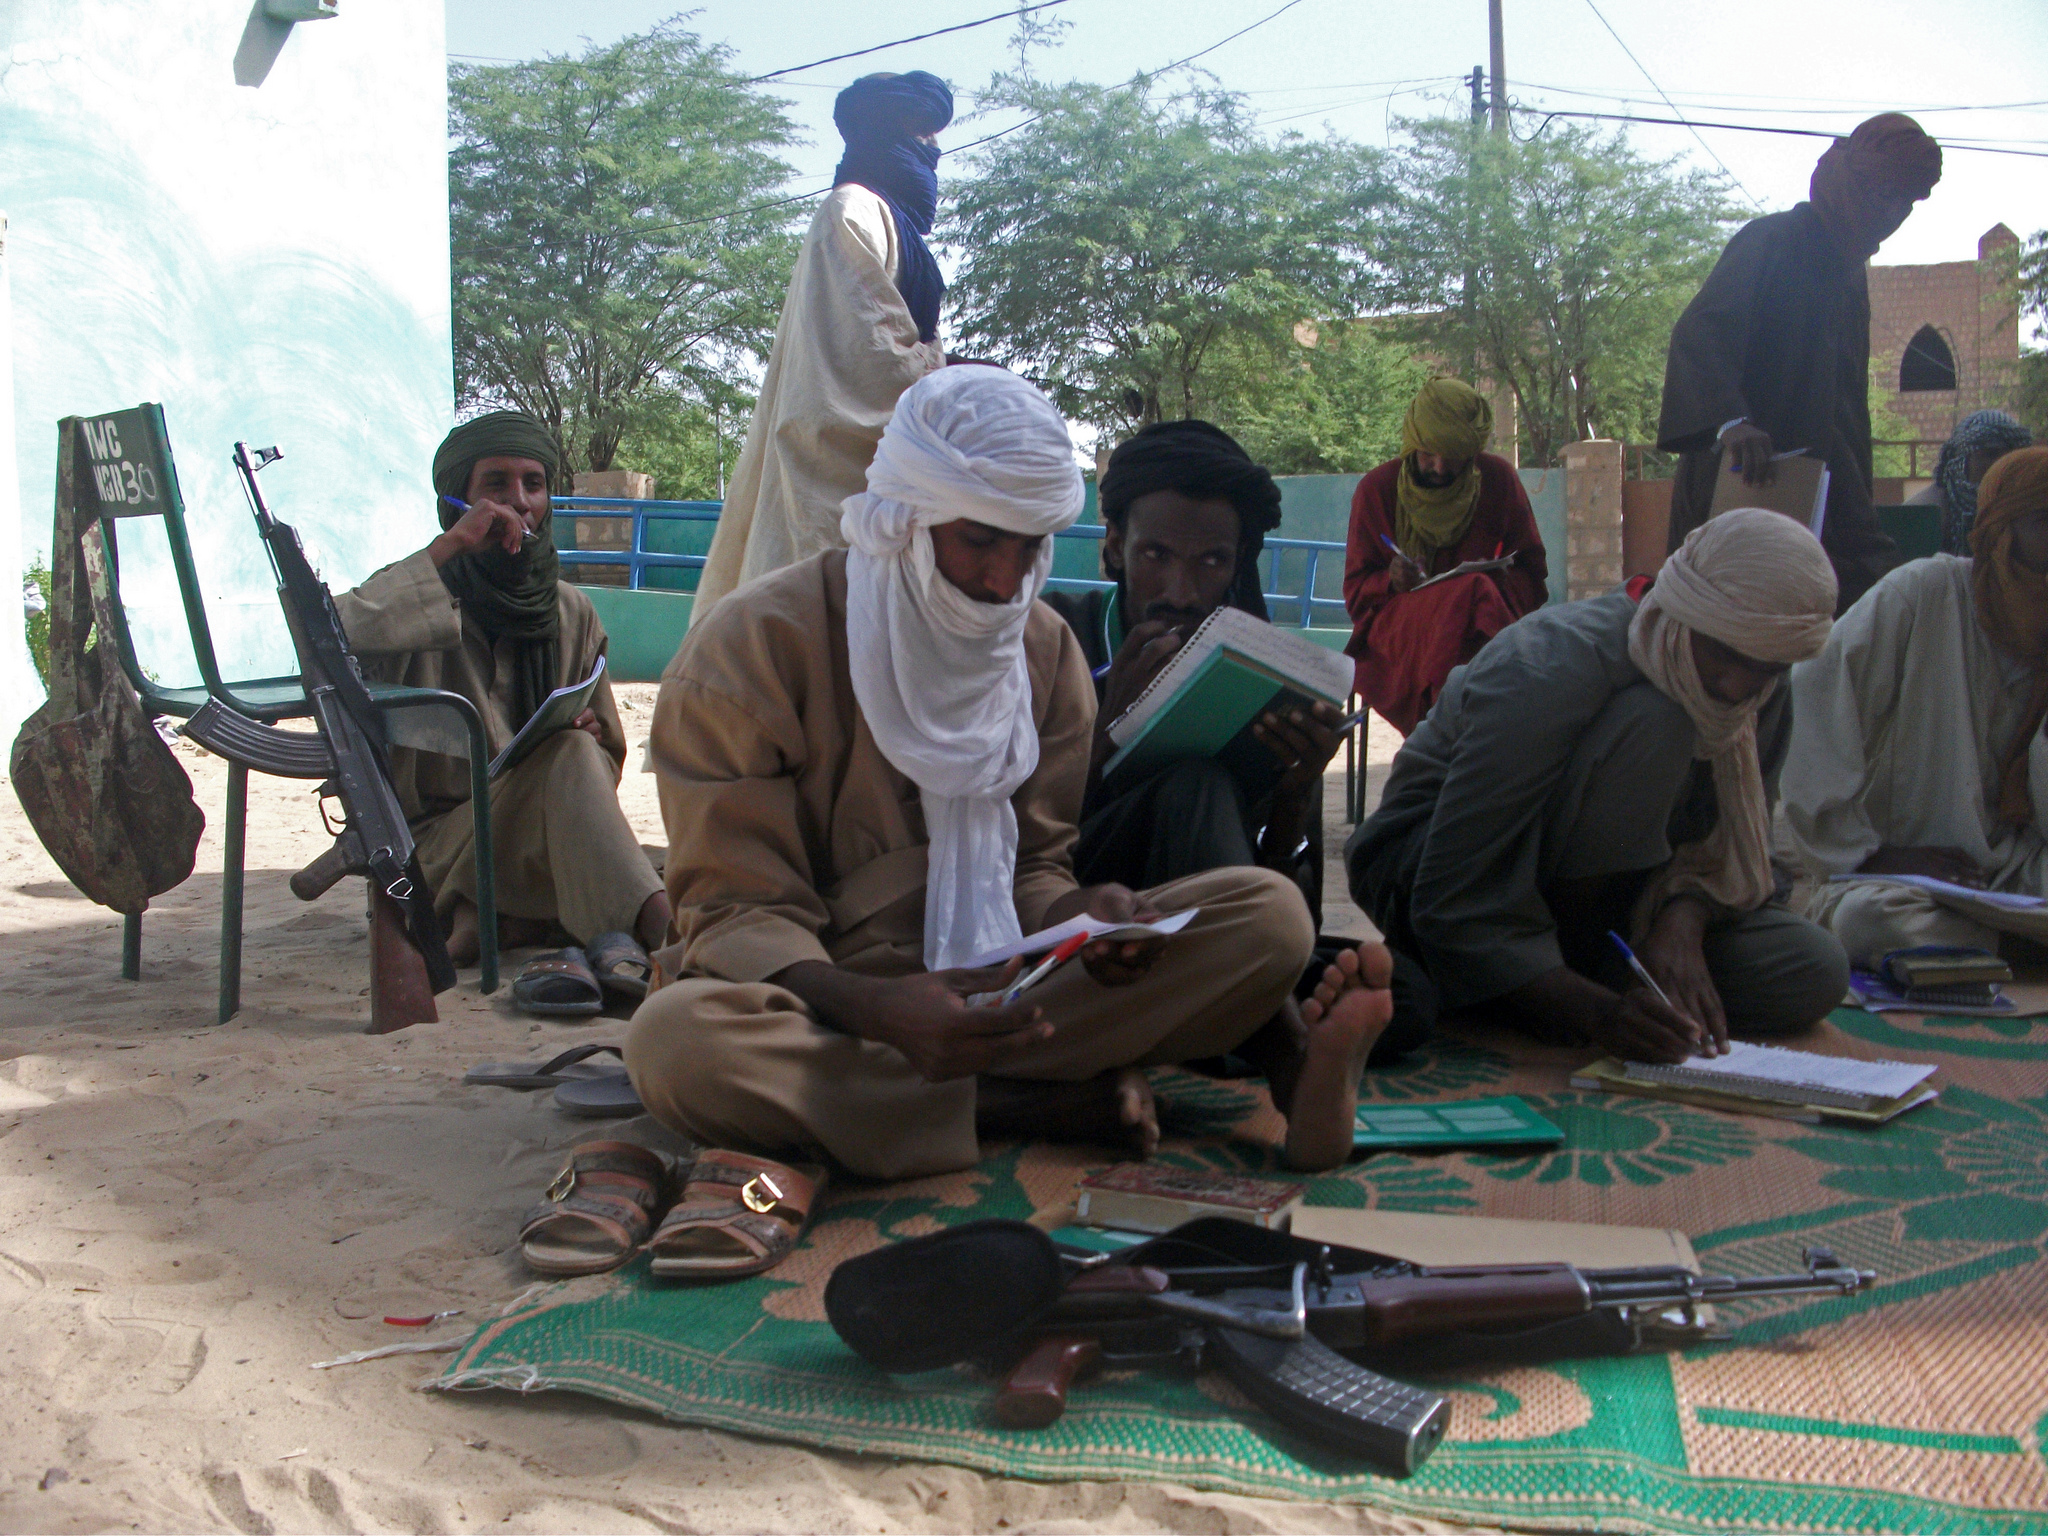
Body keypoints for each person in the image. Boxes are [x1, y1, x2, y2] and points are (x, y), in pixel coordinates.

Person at [626, 368, 1393, 1180]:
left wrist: (1083, 917)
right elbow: (739, 910)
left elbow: (1032, 867)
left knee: (1268, 918)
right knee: (675, 1043)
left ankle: (930, 1090)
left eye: (1028, 544)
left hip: (1006, 988)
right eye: (979, 540)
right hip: (824, 997)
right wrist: (884, 1010)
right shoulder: (750, 649)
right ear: (906, 521)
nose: (1003, 579)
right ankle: (1020, 1105)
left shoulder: (1042, 650)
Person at [1347, 508, 1849, 1064]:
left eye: (1768, 668)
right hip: (1444, 883)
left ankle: (1552, 980)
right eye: (1727, 655)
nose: (1740, 686)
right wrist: (1595, 1014)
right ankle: (1540, 979)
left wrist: (1683, 922)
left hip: (1626, 912)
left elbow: (1739, 862)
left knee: (1813, 968)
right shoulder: (1546, 665)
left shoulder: (1761, 689)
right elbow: (1453, 892)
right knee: (1658, 719)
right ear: (1686, 612)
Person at [1042, 419, 1434, 1059]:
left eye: (1212, 562)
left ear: (1237, 565)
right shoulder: (1056, 638)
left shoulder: (1253, 667)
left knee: (1410, 994)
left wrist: (1292, 798)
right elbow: (1016, 849)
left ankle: (1220, 1019)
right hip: (1089, 914)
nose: (1181, 592)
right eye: (1155, 555)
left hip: (1221, 924)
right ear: (1113, 546)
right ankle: (1269, 1038)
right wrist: (1110, 728)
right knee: (1193, 785)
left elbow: (1288, 908)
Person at [334, 411, 669, 1000]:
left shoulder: (571, 613)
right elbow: (331, 633)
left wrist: (588, 741)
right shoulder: (415, 598)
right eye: (495, 485)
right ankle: (665, 933)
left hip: (535, 838)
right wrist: (448, 550)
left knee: (573, 749)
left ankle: (513, 921)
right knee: (586, 793)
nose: (518, 502)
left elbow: (607, 765)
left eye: (533, 484)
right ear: (456, 502)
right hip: (437, 846)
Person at [689, 71, 955, 624]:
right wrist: (953, 382)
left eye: (936, 138)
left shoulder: (894, 225)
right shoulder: (851, 211)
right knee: (818, 640)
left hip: (895, 490)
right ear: (887, 131)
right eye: (921, 135)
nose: (933, 150)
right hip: (832, 495)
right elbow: (863, 365)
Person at [1658, 113, 1944, 612]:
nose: (1893, 212)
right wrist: (1733, 422)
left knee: (1860, 603)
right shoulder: (1773, 241)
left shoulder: (1851, 274)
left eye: (1906, 202)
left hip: (1833, 488)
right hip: (1751, 480)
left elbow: (1845, 397)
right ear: (1851, 181)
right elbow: (1701, 335)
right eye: (1883, 194)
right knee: (1732, 612)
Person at [1786, 448, 2048, 965]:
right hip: (1911, 871)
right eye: (2046, 520)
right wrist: (1871, 853)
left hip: (2020, 863)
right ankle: (2017, 941)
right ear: (2001, 530)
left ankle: (1992, 938)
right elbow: (1816, 688)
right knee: (1867, 923)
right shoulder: (1927, 592)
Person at [1343, 378, 1549, 734]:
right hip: (1401, 633)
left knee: (1473, 597)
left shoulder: (1498, 480)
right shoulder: (1377, 490)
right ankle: (1460, 731)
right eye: (1428, 454)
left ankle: (1451, 733)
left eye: (1452, 457)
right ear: (1412, 444)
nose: (1439, 467)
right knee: (1470, 596)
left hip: (1482, 627)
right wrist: (1390, 580)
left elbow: (1532, 575)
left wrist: (1498, 582)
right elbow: (1357, 595)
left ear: (1471, 455)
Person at [1907, 409, 2033, 555]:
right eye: (1990, 455)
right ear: (1960, 460)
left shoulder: (2031, 508)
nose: (2001, 465)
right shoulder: (1923, 513)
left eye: (2010, 456)